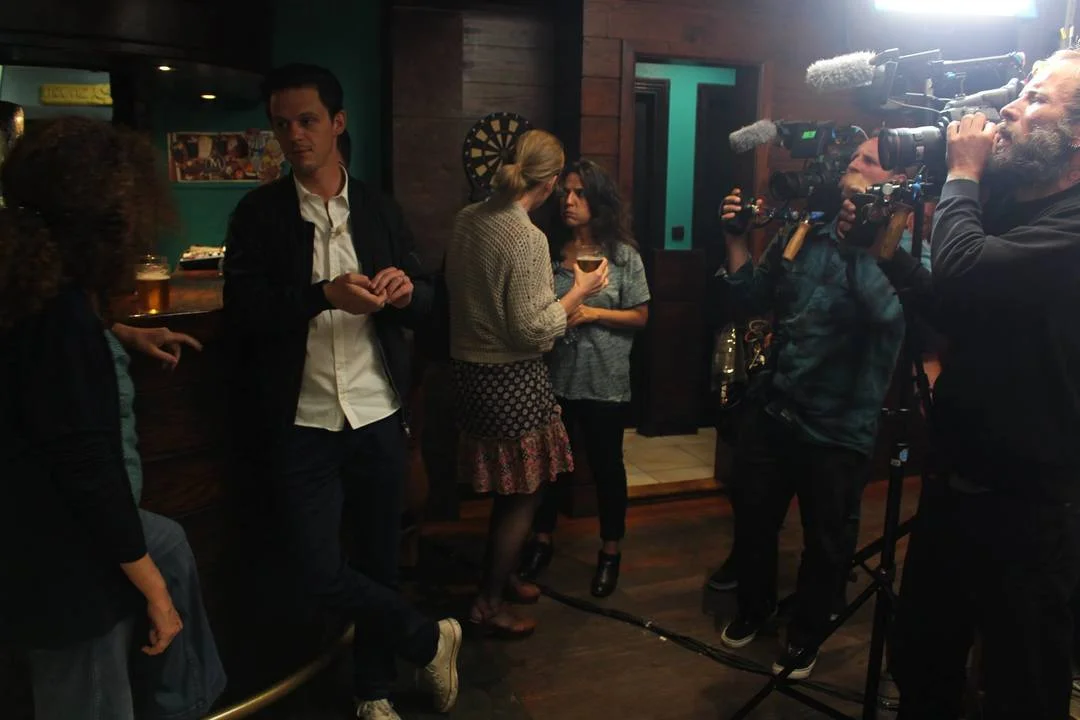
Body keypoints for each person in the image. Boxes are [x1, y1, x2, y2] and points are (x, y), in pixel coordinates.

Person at [222, 64, 459, 720]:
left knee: (381, 558)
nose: (294, 136)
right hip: (303, 417)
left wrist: (408, 294)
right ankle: (427, 638)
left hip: (376, 408)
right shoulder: (259, 215)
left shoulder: (378, 208)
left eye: (307, 121)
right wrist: (321, 295)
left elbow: (427, 299)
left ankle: (373, 690)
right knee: (313, 566)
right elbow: (243, 312)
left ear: (337, 123)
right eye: (282, 125)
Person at [873, 50, 1080, 719]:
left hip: (1033, 508)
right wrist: (889, 257)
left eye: (1036, 99)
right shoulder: (1010, 203)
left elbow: (965, 273)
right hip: (956, 481)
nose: (1010, 108)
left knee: (1023, 687)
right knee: (921, 660)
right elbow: (959, 306)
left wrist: (962, 172)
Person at [0, 116, 225, 720]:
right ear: (106, 221)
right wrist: (154, 593)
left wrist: (116, 333)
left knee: (168, 542)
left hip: (35, 526)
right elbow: (87, 472)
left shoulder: (35, 292)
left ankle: (188, 704)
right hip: (58, 559)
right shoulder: (62, 321)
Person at [714, 135, 906, 680]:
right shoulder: (806, 231)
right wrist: (736, 240)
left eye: (869, 160)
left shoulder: (902, 249)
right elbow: (751, 297)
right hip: (778, 407)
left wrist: (857, 242)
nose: (854, 165)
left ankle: (806, 635)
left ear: (898, 181)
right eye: (854, 157)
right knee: (753, 518)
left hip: (839, 426)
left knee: (826, 541)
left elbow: (887, 317)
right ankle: (755, 608)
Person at [446, 130, 608, 637]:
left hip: (469, 371)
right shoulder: (525, 237)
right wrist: (580, 291)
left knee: (508, 486)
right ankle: (489, 602)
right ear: (552, 181)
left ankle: (504, 573)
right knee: (524, 493)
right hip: (510, 376)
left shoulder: (468, 217)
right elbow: (533, 330)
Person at [519, 159, 650, 597]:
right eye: (565, 193)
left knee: (607, 467)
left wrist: (591, 312)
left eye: (579, 193)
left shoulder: (623, 256)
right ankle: (541, 541)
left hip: (605, 380)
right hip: (554, 378)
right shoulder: (550, 251)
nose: (569, 201)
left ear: (598, 199)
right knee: (550, 468)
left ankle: (610, 552)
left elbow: (641, 316)